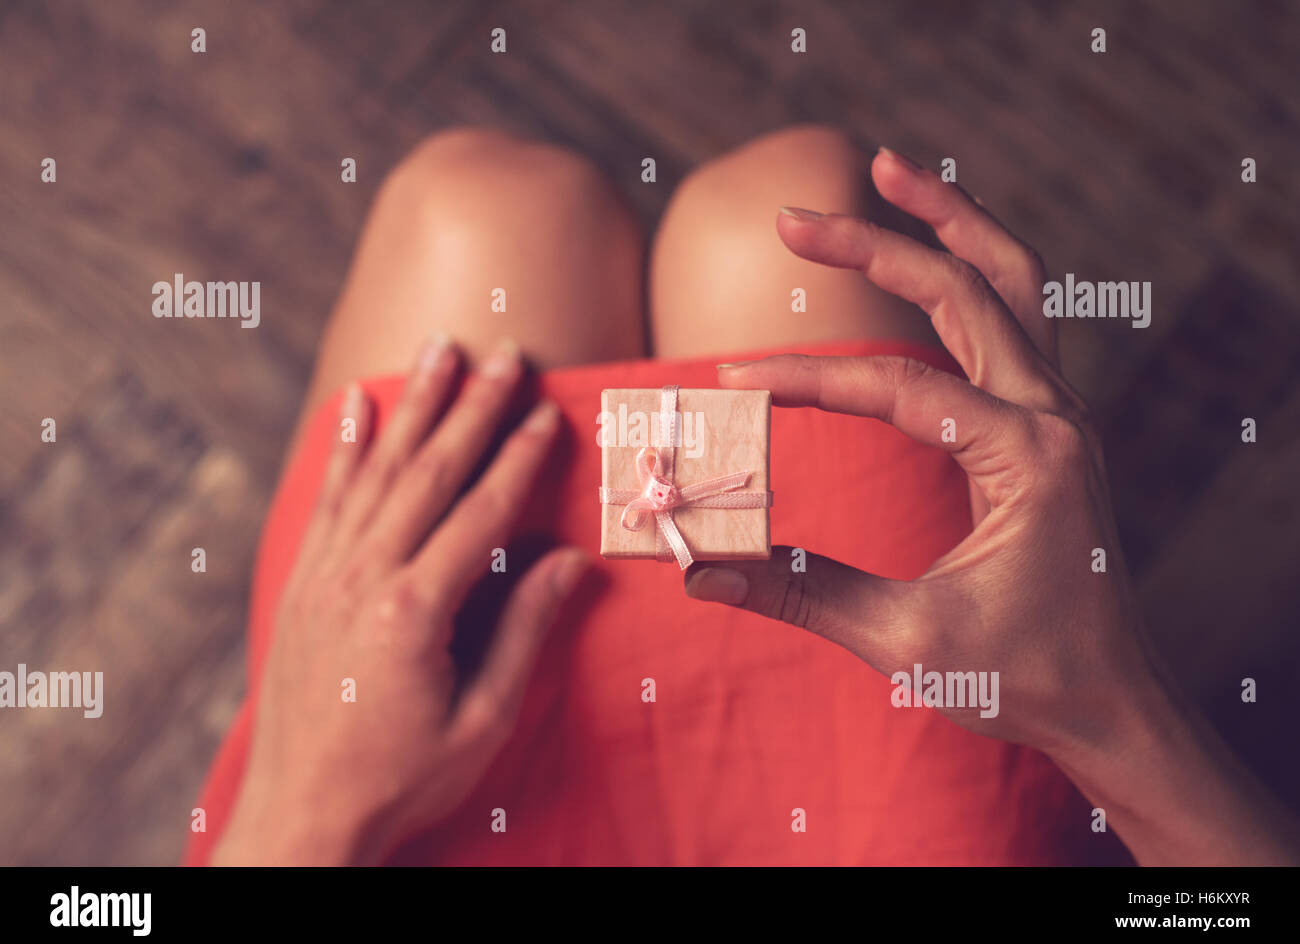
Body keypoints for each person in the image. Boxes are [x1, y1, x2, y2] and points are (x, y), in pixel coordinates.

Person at [196, 126, 1299, 865]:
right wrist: (1108, 712)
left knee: (481, 209)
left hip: (388, 808)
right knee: (782, 203)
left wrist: (297, 812)